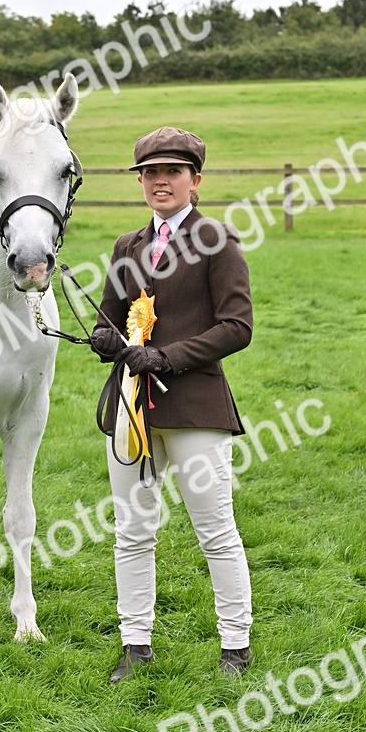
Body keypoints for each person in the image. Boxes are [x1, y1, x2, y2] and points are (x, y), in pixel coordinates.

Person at [90, 126, 253, 683]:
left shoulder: (218, 240)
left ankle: (236, 646)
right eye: (150, 173)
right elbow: (110, 317)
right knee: (133, 531)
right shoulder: (127, 246)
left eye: (172, 172)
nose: (160, 181)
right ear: (141, 181)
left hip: (196, 406)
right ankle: (135, 645)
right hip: (132, 408)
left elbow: (238, 326)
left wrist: (168, 357)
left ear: (195, 181)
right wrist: (107, 339)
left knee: (216, 531)